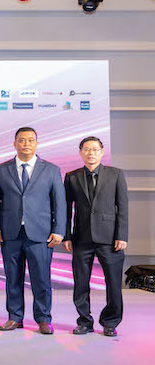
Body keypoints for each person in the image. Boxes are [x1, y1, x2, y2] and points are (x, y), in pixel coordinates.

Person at [0, 127, 66, 335]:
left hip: (41, 235)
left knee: (41, 279)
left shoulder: (51, 170)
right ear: (15, 144)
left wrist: (59, 231)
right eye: (22, 140)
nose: (26, 144)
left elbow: (59, 202)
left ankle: (43, 319)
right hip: (10, 233)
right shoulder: (1, 169)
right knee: (12, 278)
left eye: (30, 140)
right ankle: (15, 317)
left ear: (36, 143)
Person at [64, 136, 128, 337]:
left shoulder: (115, 174)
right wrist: (67, 236)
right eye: (86, 149)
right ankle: (84, 322)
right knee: (80, 283)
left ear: (102, 152)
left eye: (94, 149)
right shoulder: (72, 177)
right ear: (80, 152)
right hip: (81, 238)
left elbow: (123, 207)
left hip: (110, 239)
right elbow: (66, 208)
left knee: (113, 284)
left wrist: (122, 235)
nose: (90, 153)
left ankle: (110, 322)